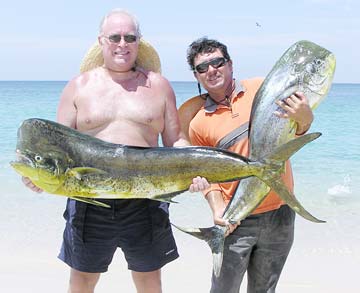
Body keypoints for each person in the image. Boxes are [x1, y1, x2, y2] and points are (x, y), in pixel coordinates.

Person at [22, 9, 208, 293]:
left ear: (138, 42)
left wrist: (197, 170)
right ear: (101, 41)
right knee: (82, 281)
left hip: (147, 197)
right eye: (115, 37)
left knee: (149, 280)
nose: (122, 43)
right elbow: (56, 151)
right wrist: (36, 178)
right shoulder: (77, 87)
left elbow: (176, 141)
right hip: (88, 200)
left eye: (130, 37)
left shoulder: (158, 85)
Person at [183, 37, 314, 293]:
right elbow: (207, 177)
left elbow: (291, 131)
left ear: (230, 64)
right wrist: (217, 207)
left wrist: (305, 119)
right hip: (237, 221)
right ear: (196, 76)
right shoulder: (198, 123)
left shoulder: (261, 88)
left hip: (280, 214)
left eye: (217, 62)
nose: (211, 70)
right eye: (202, 67)